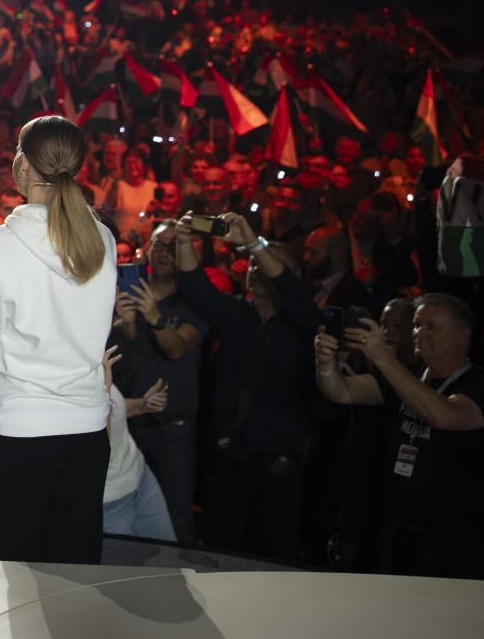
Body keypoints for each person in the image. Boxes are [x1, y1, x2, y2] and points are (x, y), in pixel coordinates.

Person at [0, 115, 117, 565]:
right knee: (72, 567)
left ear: (23, 165)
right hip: (86, 428)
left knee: (2, 571)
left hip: (18, 426)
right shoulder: (102, 239)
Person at [173, 212, 320, 559]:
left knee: (276, 556)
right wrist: (183, 241)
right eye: (252, 264)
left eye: (264, 264)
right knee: (222, 551)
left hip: (278, 462)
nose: (257, 269)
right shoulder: (235, 312)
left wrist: (254, 244)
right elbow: (195, 287)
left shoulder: (305, 321)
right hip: (229, 456)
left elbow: (292, 292)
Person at [314, 293, 484, 578]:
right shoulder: (409, 374)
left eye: (432, 327)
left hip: (452, 545)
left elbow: (446, 416)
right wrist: (324, 362)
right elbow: (341, 391)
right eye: (417, 325)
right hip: (397, 534)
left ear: (463, 335)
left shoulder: (476, 383)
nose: (420, 333)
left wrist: (381, 357)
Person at [111, 220, 208, 543]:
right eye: (158, 245)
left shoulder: (193, 301)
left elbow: (177, 348)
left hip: (170, 431)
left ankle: (180, 573)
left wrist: (154, 317)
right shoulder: (128, 293)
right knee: (125, 517)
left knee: (175, 520)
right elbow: (119, 357)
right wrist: (125, 326)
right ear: (147, 249)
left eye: (173, 246)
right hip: (128, 423)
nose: (164, 253)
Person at [101, 347, 176, 541]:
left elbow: (115, 406)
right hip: (110, 501)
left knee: (168, 555)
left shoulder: (92, 366)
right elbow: (98, 448)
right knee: (126, 562)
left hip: (141, 477)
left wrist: (143, 404)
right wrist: (102, 392)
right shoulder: (61, 382)